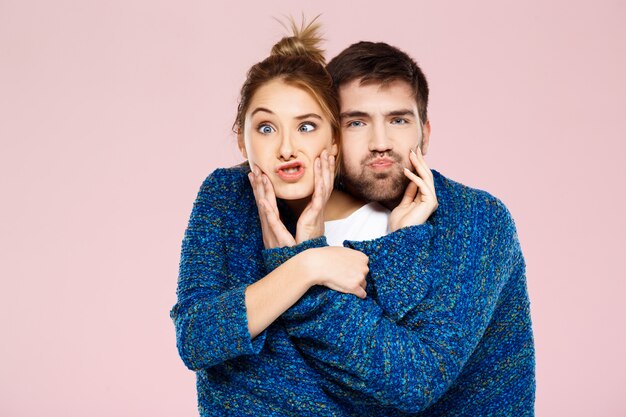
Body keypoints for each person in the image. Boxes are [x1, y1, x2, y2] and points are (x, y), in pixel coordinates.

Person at [170, 20, 439, 416]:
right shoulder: (226, 196)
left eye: (306, 127)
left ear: (334, 137)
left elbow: (392, 382)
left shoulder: (386, 223)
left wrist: (399, 244)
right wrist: (306, 265)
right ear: (241, 140)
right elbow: (196, 338)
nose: (285, 148)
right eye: (265, 128)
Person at [263, 42, 536, 415]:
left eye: (398, 120)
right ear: (331, 135)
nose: (380, 144)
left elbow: (410, 382)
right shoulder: (291, 210)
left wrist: (401, 242)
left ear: (425, 132)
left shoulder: (477, 219)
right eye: (356, 122)